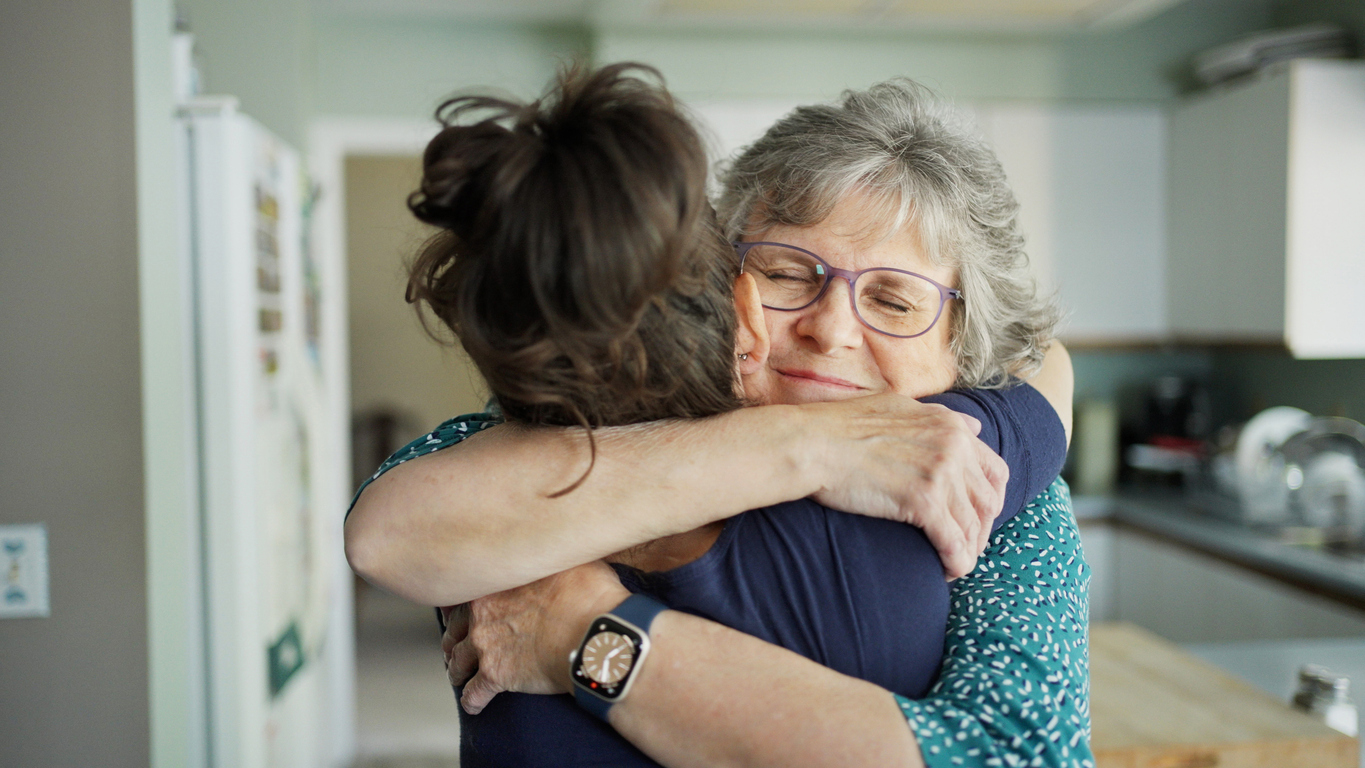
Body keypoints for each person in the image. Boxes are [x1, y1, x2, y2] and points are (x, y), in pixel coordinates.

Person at [346, 64, 1089, 768]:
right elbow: (387, 536)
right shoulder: (561, 435)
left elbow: (1015, 753)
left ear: (965, 350)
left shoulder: (973, 485)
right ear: (724, 286)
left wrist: (584, 636)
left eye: (893, 302)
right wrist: (811, 443)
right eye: (787, 274)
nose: (830, 330)